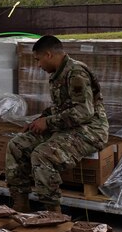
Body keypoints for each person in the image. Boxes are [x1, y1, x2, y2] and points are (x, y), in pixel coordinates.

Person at [6, 35, 108, 213]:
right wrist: (37, 121)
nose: (38, 65)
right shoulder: (58, 74)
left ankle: (52, 211)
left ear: (49, 54)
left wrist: (48, 122)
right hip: (66, 127)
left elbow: (84, 112)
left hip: (90, 131)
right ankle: (20, 204)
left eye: (38, 60)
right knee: (17, 144)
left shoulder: (76, 73)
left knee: (42, 154)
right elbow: (60, 107)